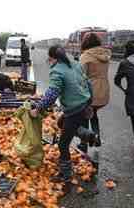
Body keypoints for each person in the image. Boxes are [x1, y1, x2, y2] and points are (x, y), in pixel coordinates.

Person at [30, 45, 96, 187]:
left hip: (74, 109)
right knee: (61, 123)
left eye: (49, 58)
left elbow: (52, 93)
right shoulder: (76, 64)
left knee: (63, 144)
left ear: (52, 57)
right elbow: (88, 83)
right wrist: (90, 101)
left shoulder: (57, 71)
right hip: (84, 104)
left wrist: (38, 108)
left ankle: (65, 175)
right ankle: (88, 135)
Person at [77, 33, 112, 153]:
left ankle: (84, 143)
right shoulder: (105, 54)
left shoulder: (86, 56)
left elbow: (80, 76)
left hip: (90, 91)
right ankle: (96, 137)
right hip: (103, 90)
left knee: (84, 116)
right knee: (93, 114)